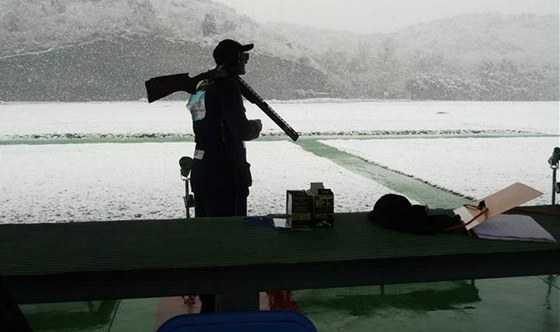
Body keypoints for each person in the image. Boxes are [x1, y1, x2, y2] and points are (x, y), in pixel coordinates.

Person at [187, 39, 262, 312]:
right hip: (225, 172)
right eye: (242, 56)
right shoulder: (227, 87)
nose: (245, 61)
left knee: (207, 237)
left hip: (202, 168)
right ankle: (229, 301)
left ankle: (208, 298)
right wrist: (256, 126)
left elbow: (200, 124)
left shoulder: (201, 86)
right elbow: (240, 130)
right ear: (232, 60)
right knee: (230, 237)